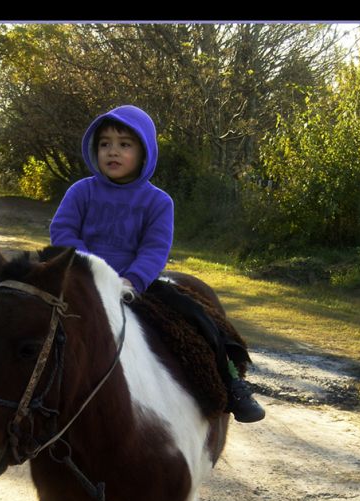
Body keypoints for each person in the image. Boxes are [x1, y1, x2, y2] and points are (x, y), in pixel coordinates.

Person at [50, 104, 265, 423]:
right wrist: (90, 271)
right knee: (27, 314)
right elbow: (63, 232)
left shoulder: (158, 201)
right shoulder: (82, 192)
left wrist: (132, 280)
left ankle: (233, 383)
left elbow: (155, 248)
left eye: (124, 144)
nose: (113, 151)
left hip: (137, 287)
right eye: (105, 143)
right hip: (82, 283)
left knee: (199, 319)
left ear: (144, 151)